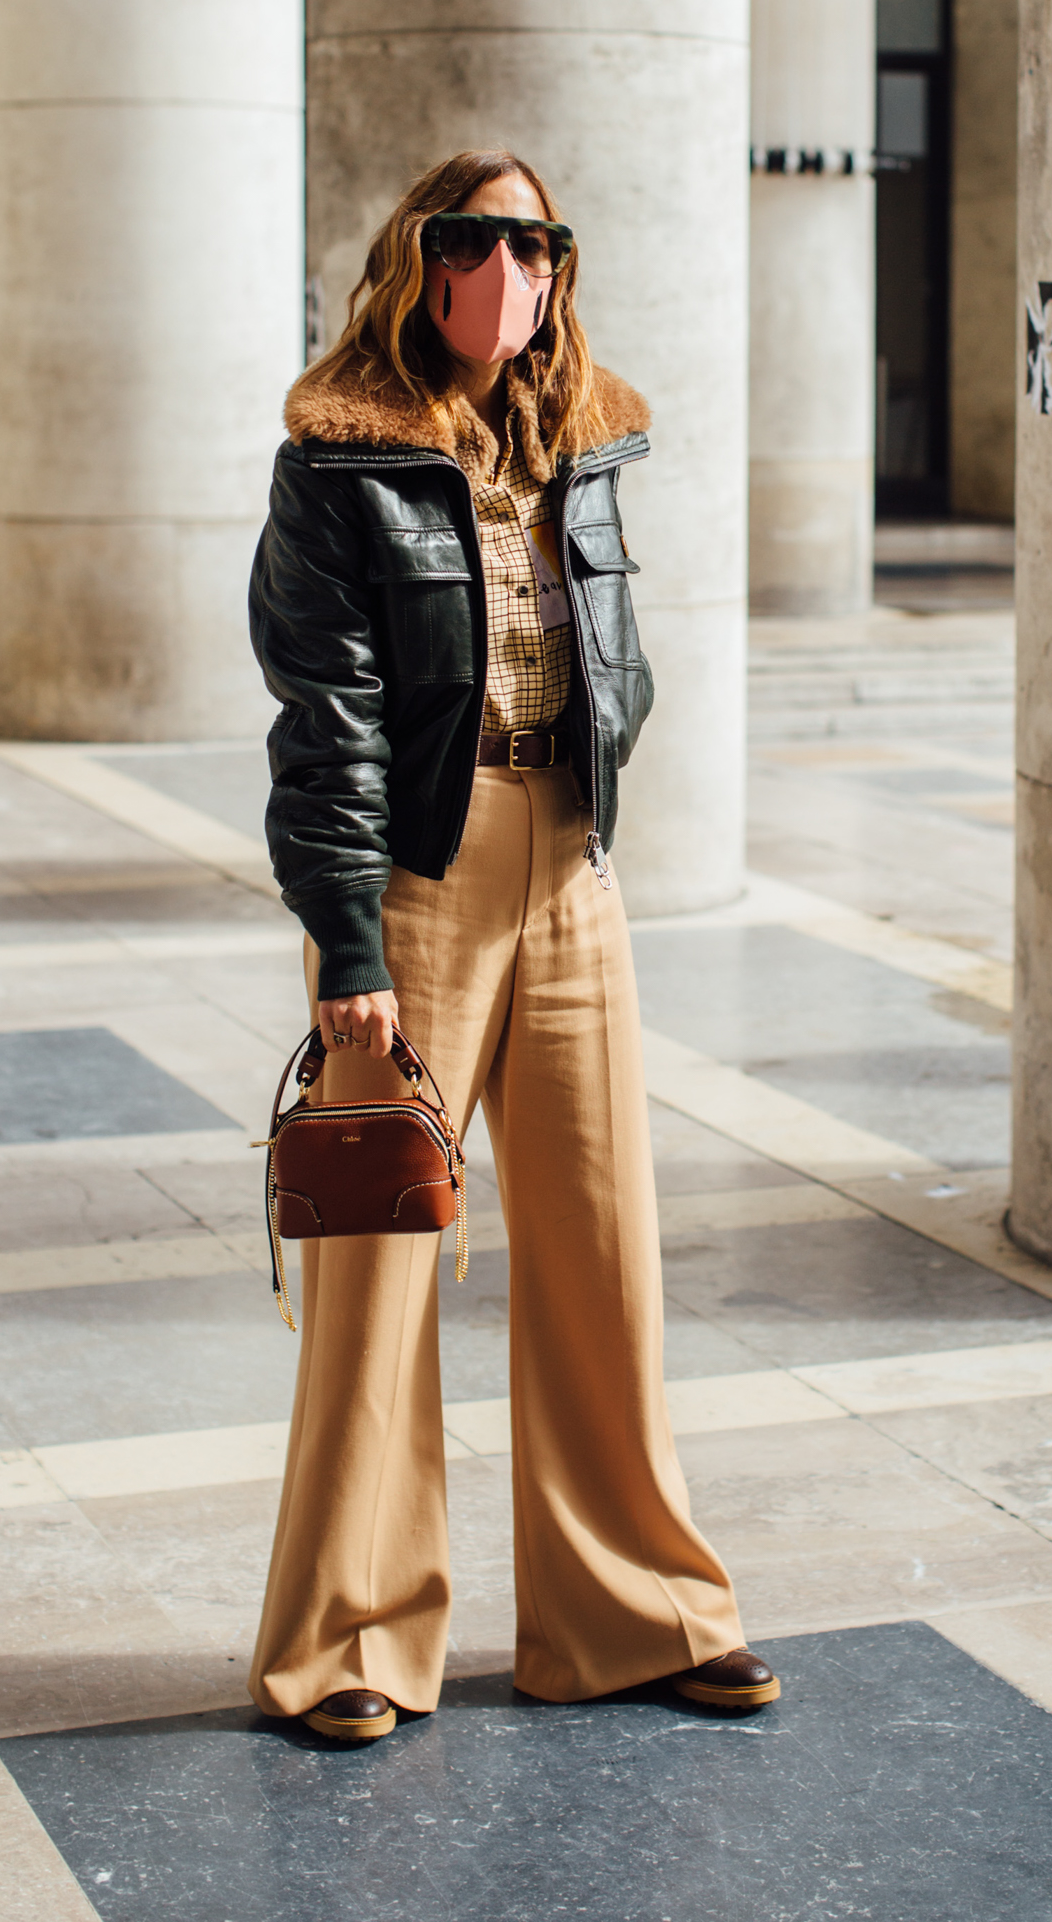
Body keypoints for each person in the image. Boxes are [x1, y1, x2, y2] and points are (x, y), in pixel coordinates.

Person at [245, 147, 779, 1743]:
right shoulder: (339, 461)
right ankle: (350, 1642)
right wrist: (347, 946)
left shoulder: (586, 435)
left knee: (603, 1260)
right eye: (475, 239)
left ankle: (637, 1613)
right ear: (418, 256)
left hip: (570, 869)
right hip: (415, 882)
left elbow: (615, 637)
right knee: (379, 1270)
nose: (508, 270)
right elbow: (322, 719)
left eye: (535, 240)